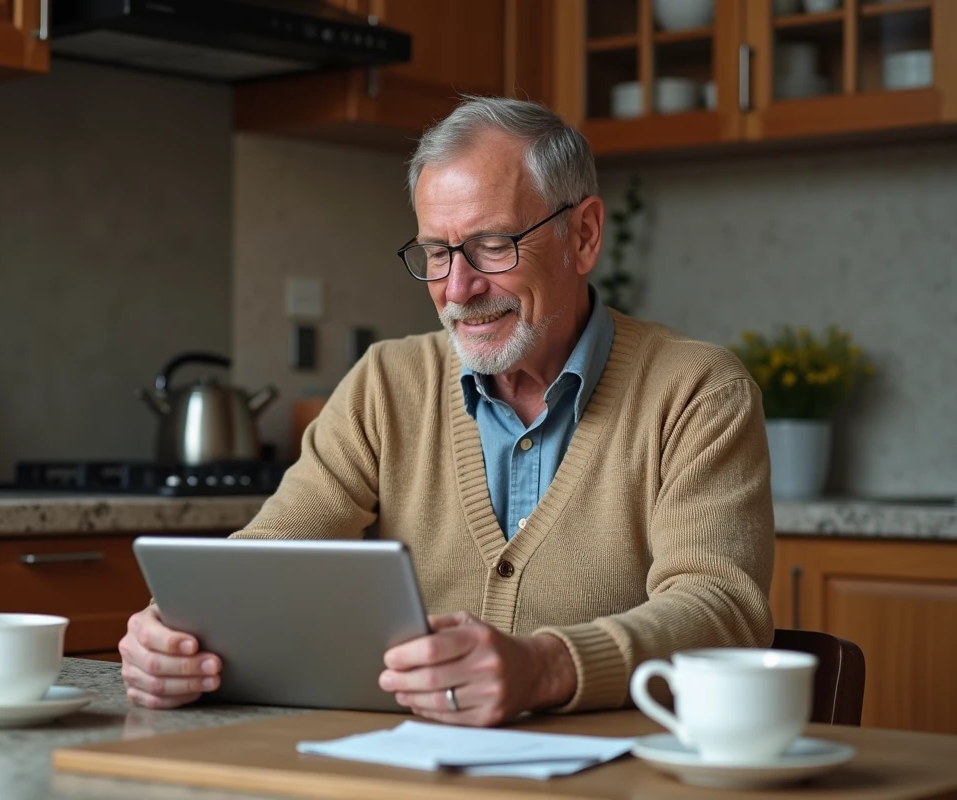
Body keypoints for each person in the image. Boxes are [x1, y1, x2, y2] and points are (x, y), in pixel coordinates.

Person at [120, 96, 775, 728]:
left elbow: (720, 611)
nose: (458, 289)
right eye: (437, 253)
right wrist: (170, 633)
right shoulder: (386, 383)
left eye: (493, 245)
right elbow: (266, 558)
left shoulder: (697, 390)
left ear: (583, 235)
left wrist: (543, 668)